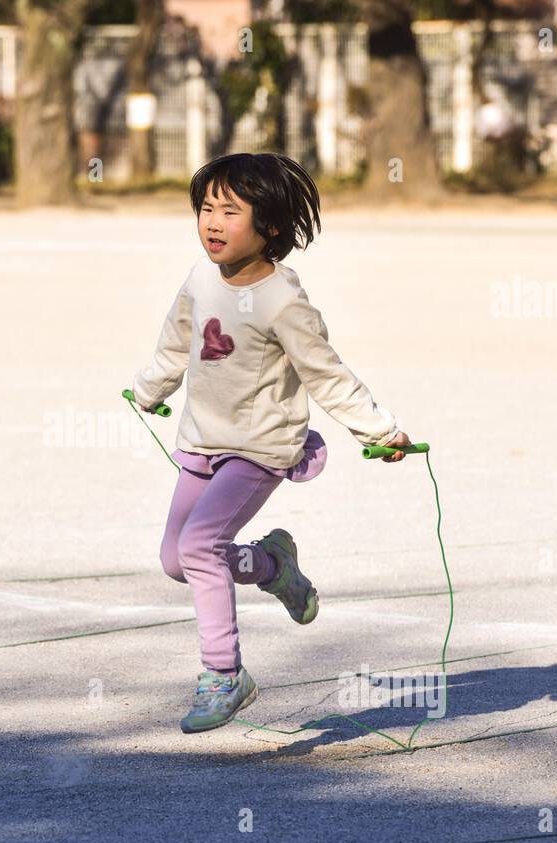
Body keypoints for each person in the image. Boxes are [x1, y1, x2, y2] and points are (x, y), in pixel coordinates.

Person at [129, 152, 411, 734]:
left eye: (230, 212)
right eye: (206, 208)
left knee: (202, 546)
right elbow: (176, 341)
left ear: (272, 226)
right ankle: (274, 564)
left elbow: (327, 374)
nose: (212, 223)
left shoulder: (285, 302)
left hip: (260, 447)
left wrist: (379, 430)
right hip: (202, 442)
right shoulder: (200, 278)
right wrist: (149, 389)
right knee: (175, 561)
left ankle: (224, 675)